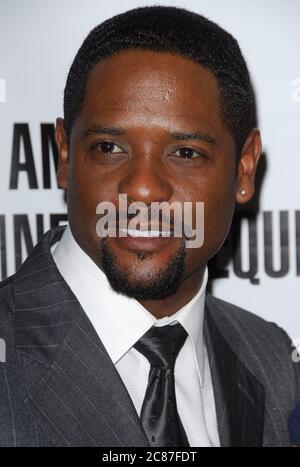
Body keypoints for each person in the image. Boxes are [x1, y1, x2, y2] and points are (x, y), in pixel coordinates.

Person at [0, 5, 299, 447]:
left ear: (244, 169)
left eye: (185, 153)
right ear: (64, 156)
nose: (141, 188)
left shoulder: (273, 358)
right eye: (109, 146)